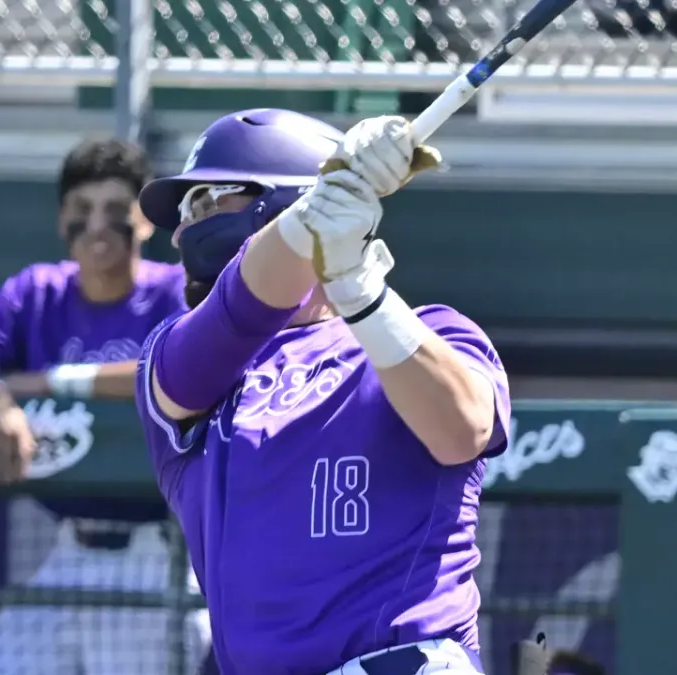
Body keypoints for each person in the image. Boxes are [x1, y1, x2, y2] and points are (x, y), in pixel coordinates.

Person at [134, 107, 512, 675]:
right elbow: (244, 304)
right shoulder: (183, 357)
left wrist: (360, 291)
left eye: (208, 200)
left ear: (274, 198)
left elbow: (463, 430)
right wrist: (316, 212)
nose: (185, 227)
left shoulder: (433, 331)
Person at [0, 137, 207, 674]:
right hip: (68, 551)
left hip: (154, 552)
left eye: (114, 211)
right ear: (61, 218)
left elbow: (174, 370)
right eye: (81, 210)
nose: (95, 226)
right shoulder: (37, 292)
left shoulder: (175, 291)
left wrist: (46, 382)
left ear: (144, 222)